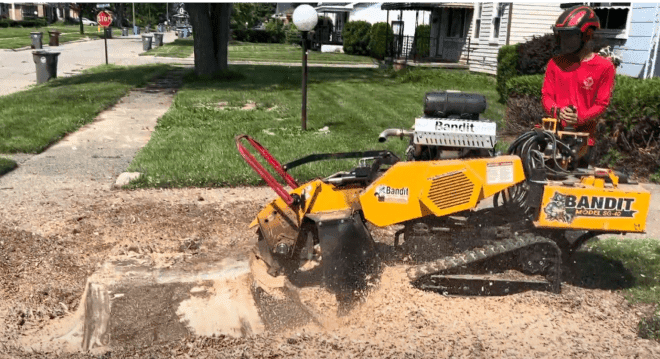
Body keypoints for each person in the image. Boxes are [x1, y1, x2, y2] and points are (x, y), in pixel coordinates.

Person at [541, 5, 616, 167]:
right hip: (554, 137)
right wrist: (558, 112)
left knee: (578, 183)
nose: (564, 41)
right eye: (561, 36)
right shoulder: (555, 64)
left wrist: (579, 117)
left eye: (569, 36)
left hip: (584, 142)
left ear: (587, 34)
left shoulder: (604, 67)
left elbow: (602, 103)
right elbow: (547, 96)